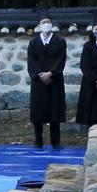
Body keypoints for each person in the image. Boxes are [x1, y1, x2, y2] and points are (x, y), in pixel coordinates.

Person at [27, 9, 67, 149]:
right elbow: (31, 61)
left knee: (54, 112)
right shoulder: (33, 42)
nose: (46, 24)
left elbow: (61, 59)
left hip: (54, 80)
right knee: (38, 112)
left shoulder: (60, 41)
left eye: (48, 22)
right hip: (38, 81)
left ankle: (55, 141)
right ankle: (38, 141)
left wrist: (51, 73)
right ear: (39, 25)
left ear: (52, 24)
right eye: (43, 22)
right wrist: (40, 74)